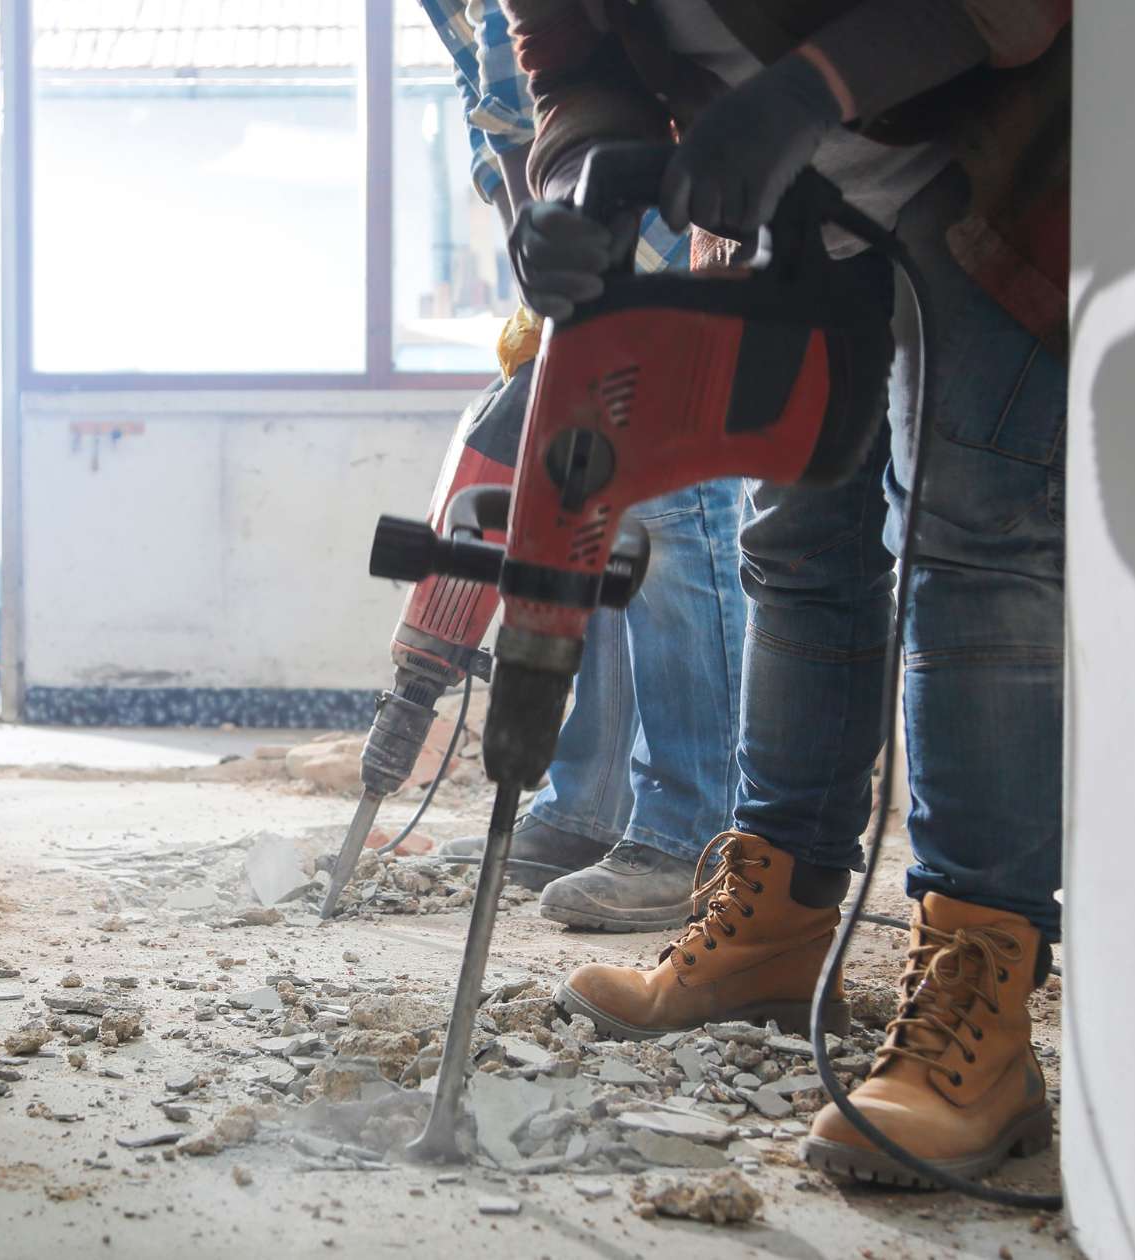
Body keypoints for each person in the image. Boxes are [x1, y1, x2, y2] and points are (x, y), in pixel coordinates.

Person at [502, 0, 1071, 1187]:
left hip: (990, 160)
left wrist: (812, 83)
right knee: (795, 544)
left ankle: (981, 999)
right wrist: (567, 183)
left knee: (973, 547)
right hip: (788, 209)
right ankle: (776, 916)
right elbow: (571, 65)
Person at [419, 0, 754, 934]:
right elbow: (490, 96)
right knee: (591, 496)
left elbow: (669, 68)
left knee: (678, 505)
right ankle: (589, 806)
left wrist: (624, 260)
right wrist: (539, 239)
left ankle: (695, 826)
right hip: (578, 184)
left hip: (698, 179)